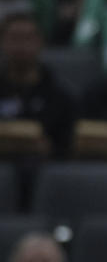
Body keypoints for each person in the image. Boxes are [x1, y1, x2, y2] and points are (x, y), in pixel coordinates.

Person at [0, 13, 76, 155]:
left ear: (40, 42)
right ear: (2, 42)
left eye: (27, 38)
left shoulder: (61, 98)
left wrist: (51, 149)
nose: (21, 45)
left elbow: (70, 146)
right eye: (14, 38)